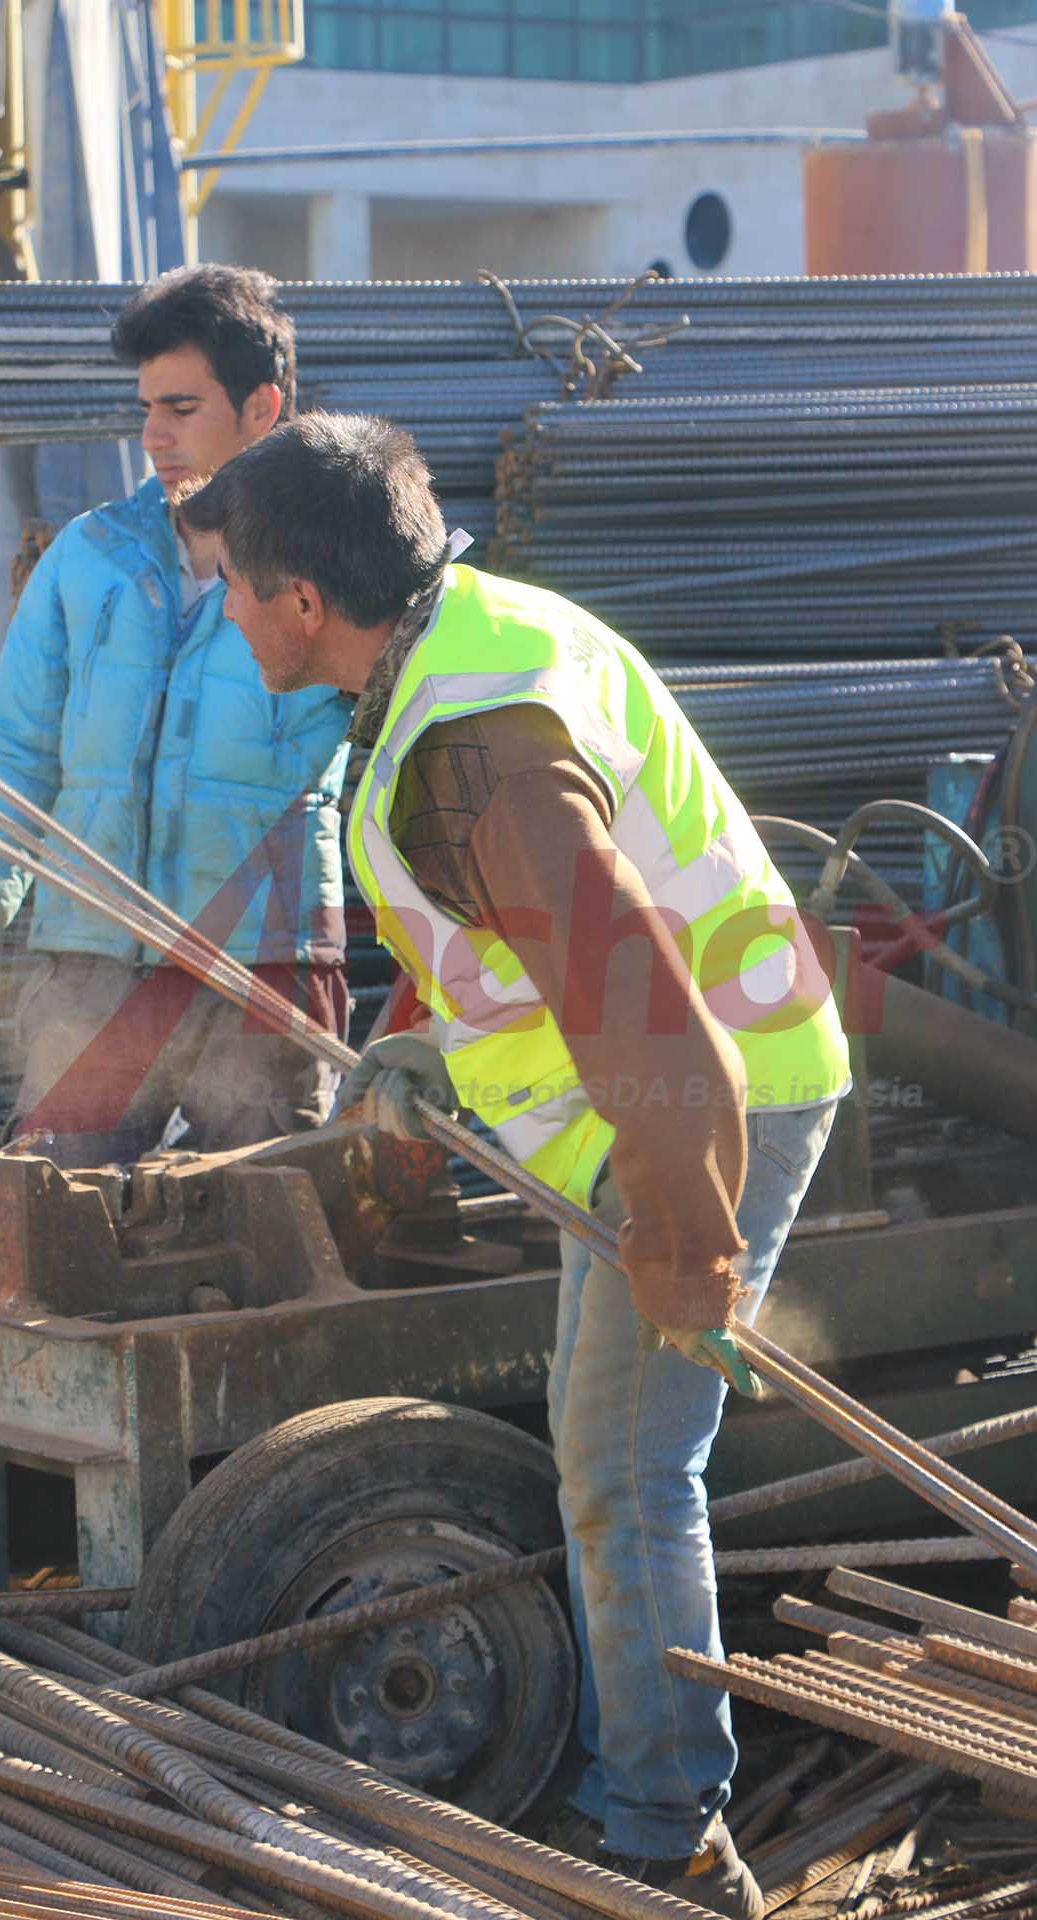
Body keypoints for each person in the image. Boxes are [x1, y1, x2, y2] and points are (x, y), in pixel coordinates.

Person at [180, 411, 851, 1920]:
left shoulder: (470, 755)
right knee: (607, 1451)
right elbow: (521, 935)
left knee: (624, 1474)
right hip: (648, 1095)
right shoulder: (475, 637)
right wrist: (430, 1048)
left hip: (694, 1104)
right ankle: (650, 1797)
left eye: (231, 584)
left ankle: (670, 1845)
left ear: (302, 601)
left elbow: (661, 1025)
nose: (224, 612)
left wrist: (688, 1247)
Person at [0, 268, 353, 1167]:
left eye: (183, 407)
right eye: (147, 406)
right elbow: (18, 754)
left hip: (261, 972)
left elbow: (403, 767)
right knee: (60, 1225)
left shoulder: (338, 571)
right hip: (92, 965)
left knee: (267, 1243)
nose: (153, 434)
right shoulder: (88, 561)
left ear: (263, 406)